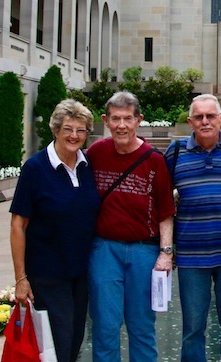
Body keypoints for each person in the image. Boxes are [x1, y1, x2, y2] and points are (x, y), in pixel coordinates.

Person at [164, 94, 221, 362]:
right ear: (190, 121)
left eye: (210, 116)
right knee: (193, 329)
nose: (205, 121)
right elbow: (160, 200)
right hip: (192, 256)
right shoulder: (176, 151)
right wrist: (166, 249)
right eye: (199, 117)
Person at [86, 91, 176, 362]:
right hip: (105, 250)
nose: (121, 125)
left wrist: (166, 253)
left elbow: (165, 212)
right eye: (115, 119)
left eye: (127, 118)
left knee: (142, 328)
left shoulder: (154, 160)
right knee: (105, 326)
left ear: (139, 120)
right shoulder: (95, 154)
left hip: (143, 252)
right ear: (105, 120)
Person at [10, 99, 101, 362]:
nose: (74, 136)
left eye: (81, 130)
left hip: (80, 273)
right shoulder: (36, 168)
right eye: (68, 129)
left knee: (74, 340)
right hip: (48, 274)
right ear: (56, 130)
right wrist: (20, 279)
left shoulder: (88, 166)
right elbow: (18, 224)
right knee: (58, 343)